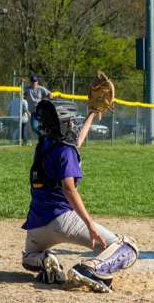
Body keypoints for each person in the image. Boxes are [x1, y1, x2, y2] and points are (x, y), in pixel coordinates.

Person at [20, 99, 138, 292]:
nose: (74, 125)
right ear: (64, 124)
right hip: (62, 220)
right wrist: (90, 224)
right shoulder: (65, 151)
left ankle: (44, 260)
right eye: (71, 122)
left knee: (29, 257)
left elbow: (75, 142)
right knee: (127, 247)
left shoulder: (44, 144)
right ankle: (88, 270)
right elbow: (68, 188)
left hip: (36, 226)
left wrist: (91, 114)